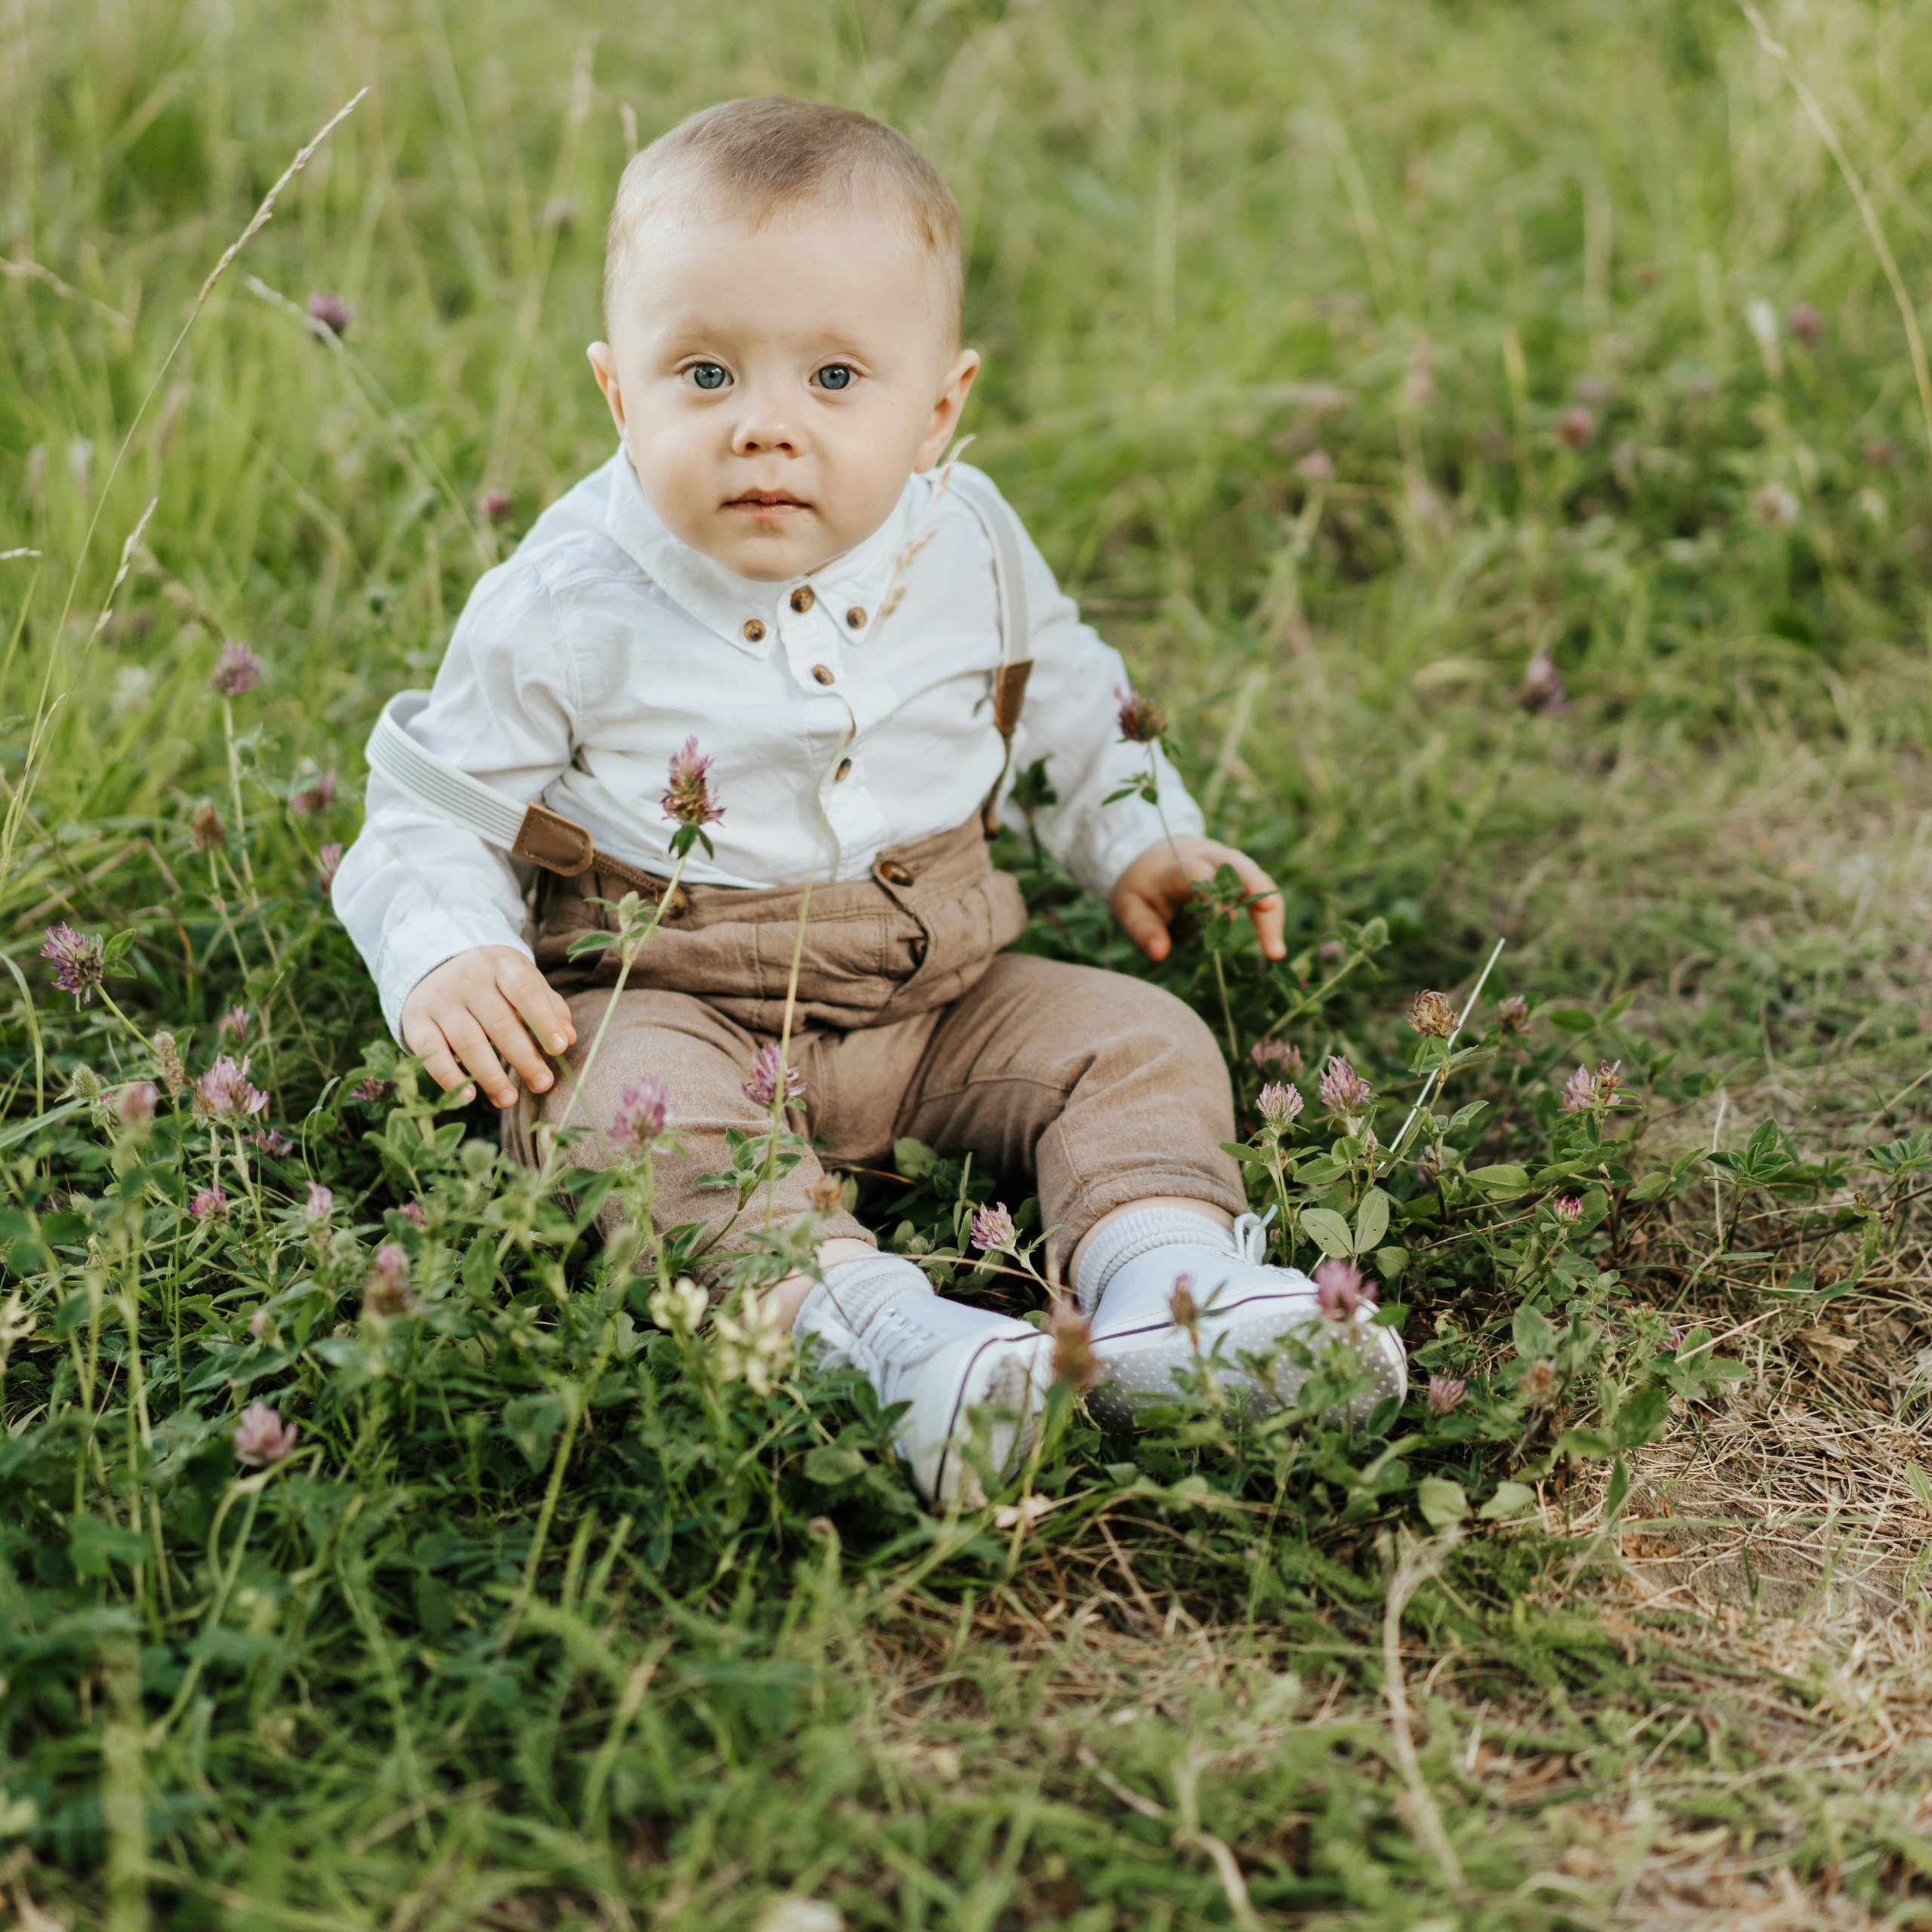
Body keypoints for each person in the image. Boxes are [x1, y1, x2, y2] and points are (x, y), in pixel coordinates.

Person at [333, 96, 1404, 1504]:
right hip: (670, 990)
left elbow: (1065, 691)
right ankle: (881, 1334)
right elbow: (425, 803)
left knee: (1139, 1042)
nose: (766, 429)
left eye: (836, 379)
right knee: (610, 1108)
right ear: (615, 391)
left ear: (939, 406)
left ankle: (1176, 1296)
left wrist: (1139, 832)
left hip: (937, 993)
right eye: (704, 374)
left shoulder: (968, 540)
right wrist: (449, 949)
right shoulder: (563, 599)